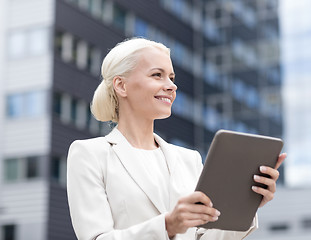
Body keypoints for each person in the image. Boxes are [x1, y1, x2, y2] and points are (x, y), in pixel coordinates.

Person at [66, 37, 286, 240]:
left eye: (171, 77)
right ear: (121, 85)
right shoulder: (89, 155)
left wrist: (247, 204)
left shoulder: (188, 159)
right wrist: (168, 225)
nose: (172, 85)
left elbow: (203, 237)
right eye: (157, 75)